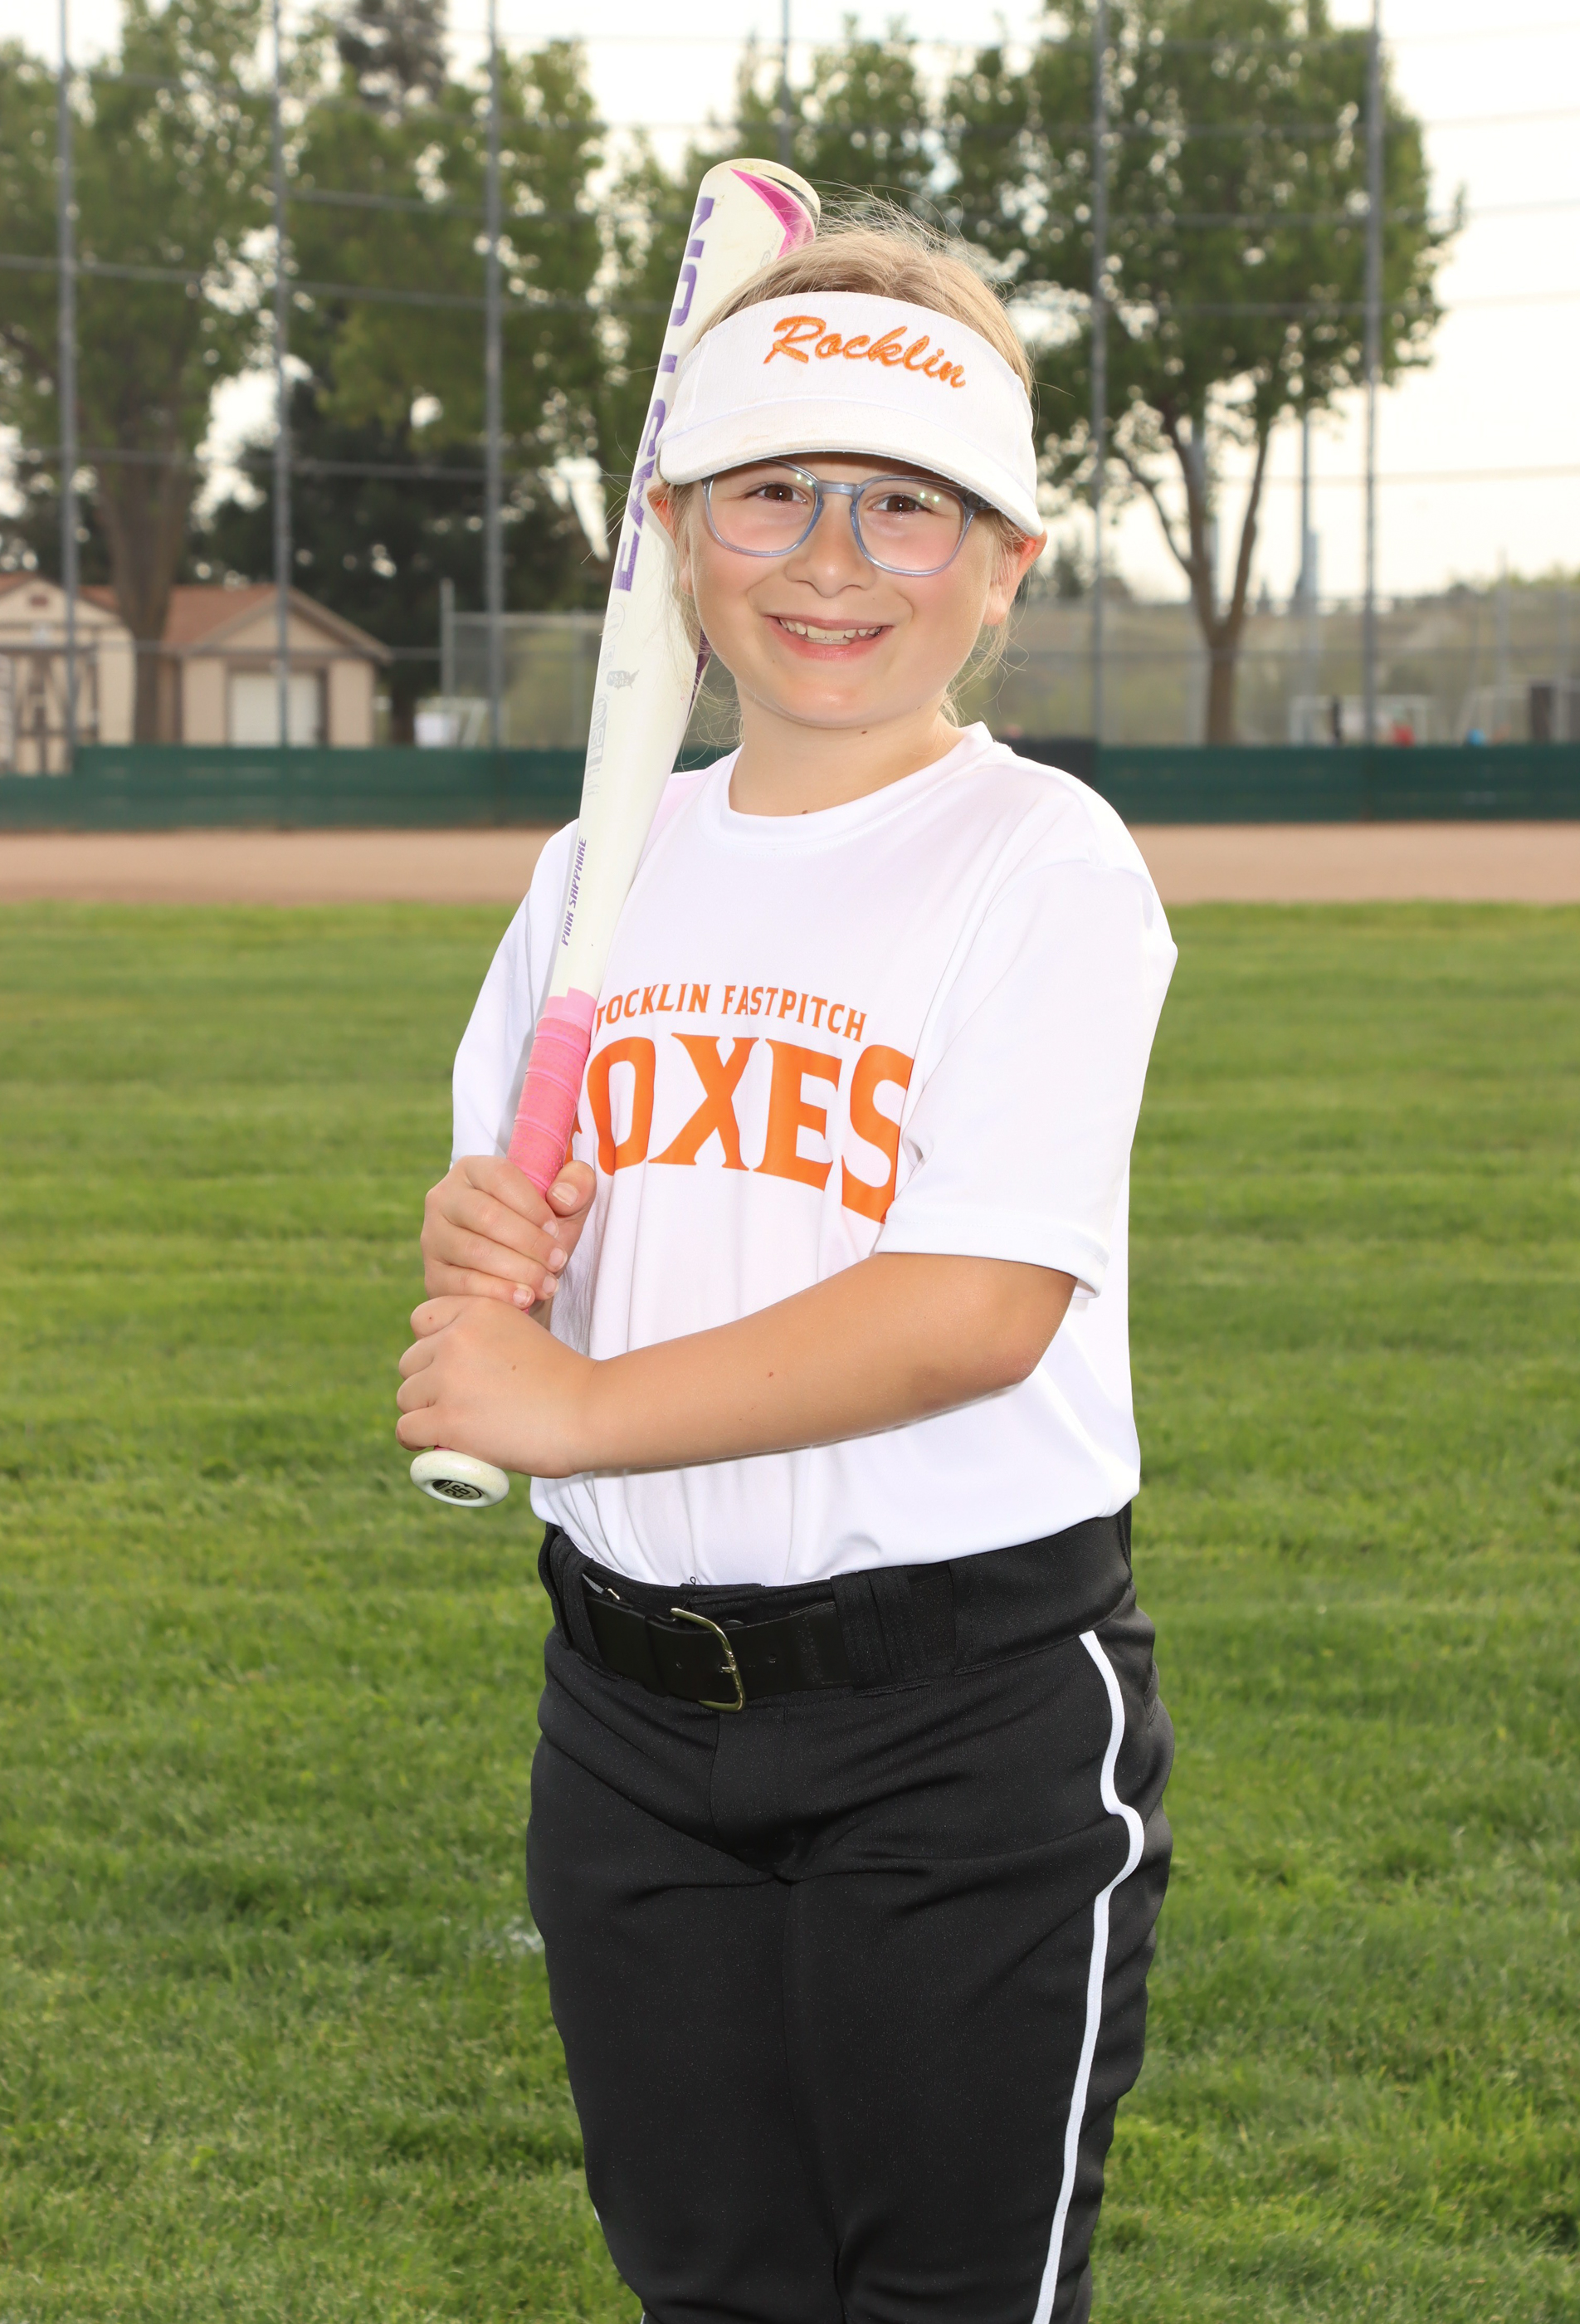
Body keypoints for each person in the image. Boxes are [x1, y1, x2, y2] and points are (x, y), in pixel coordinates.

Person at [397, 217, 1178, 2324]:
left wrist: (572, 1405)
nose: (834, 557)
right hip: (626, 1712)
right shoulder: (598, 864)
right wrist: (488, 1248)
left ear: (1004, 562)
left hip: (957, 1716)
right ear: (676, 532)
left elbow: (973, 1306)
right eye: (773, 492)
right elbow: (526, 1225)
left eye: (906, 504)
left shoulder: (1039, 860)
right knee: (711, 2288)